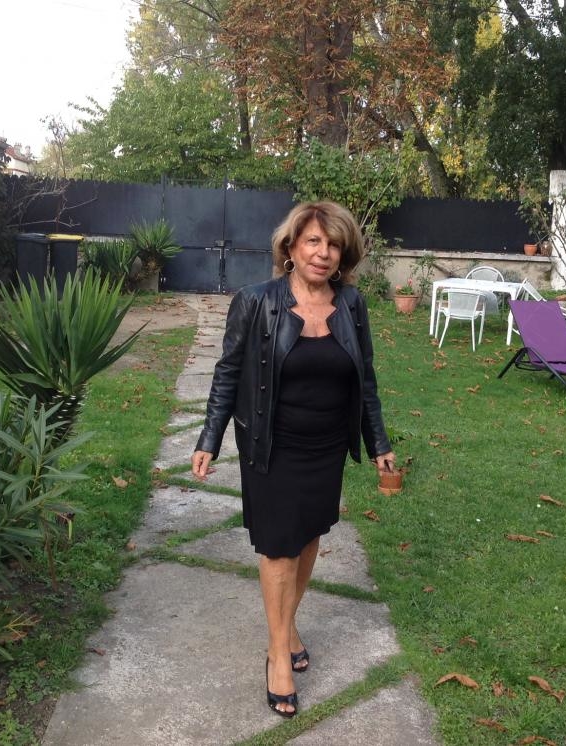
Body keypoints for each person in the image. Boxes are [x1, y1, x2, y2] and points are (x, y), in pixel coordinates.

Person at [191, 200, 395, 718]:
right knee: (279, 548)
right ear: (290, 247)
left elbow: (366, 379)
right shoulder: (256, 302)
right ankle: (278, 653)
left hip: (326, 447)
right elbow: (227, 373)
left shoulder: (352, 305)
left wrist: (379, 443)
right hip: (272, 445)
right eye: (313, 241)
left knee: (307, 540)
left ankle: (286, 627)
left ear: (344, 253)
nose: (323, 253)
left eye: (333, 245)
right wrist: (209, 438)